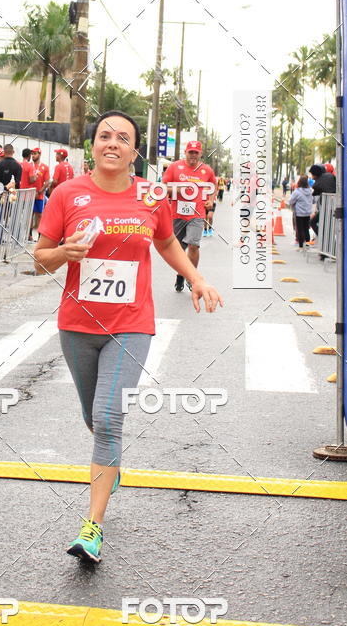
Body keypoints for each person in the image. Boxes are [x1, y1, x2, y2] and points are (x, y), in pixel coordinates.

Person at [34, 110, 222, 564]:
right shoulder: (67, 193)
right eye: (104, 136)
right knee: (93, 417)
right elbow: (39, 260)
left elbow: (167, 242)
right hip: (77, 325)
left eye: (123, 138)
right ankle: (111, 464)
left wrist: (196, 278)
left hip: (130, 325)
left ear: (135, 150)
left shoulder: (151, 195)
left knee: (107, 418)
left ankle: (92, 527)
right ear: (93, 145)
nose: (112, 143)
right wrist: (64, 252)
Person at [162, 140, 217, 290]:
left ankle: (192, 278)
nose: (193, 155)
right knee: (179, 249)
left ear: (200, 154)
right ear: (185, 152)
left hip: (197, 214)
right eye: (190, 152)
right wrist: (179, 189)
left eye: (196, 152)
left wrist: (211, 200)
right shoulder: (175, 167)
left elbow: (213, 185)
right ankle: (181, 275)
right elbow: (163, 187)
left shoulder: (206, 170)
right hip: (177, 214)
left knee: (193, 245)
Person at [29, 147, 50, 241]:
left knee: (39, 215)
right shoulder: (29, 166)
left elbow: (47, 181)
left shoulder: (45, 167)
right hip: (29, 195)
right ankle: (29, 235)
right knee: (30, 214)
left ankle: (40, 236)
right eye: (32, 154)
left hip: (39, 195)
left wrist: (40, 191)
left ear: (39, 154)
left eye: (35, 154)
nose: (33, 155)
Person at [288, 175, 314, 248]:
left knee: (300, 229)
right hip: (307, 213)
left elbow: (290, 201)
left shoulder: (297, 192)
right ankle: (307, 244)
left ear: (299, 182)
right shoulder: (310, 191)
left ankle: (301, 245)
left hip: (299, 213)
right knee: (306, 229)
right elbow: (314, 200)